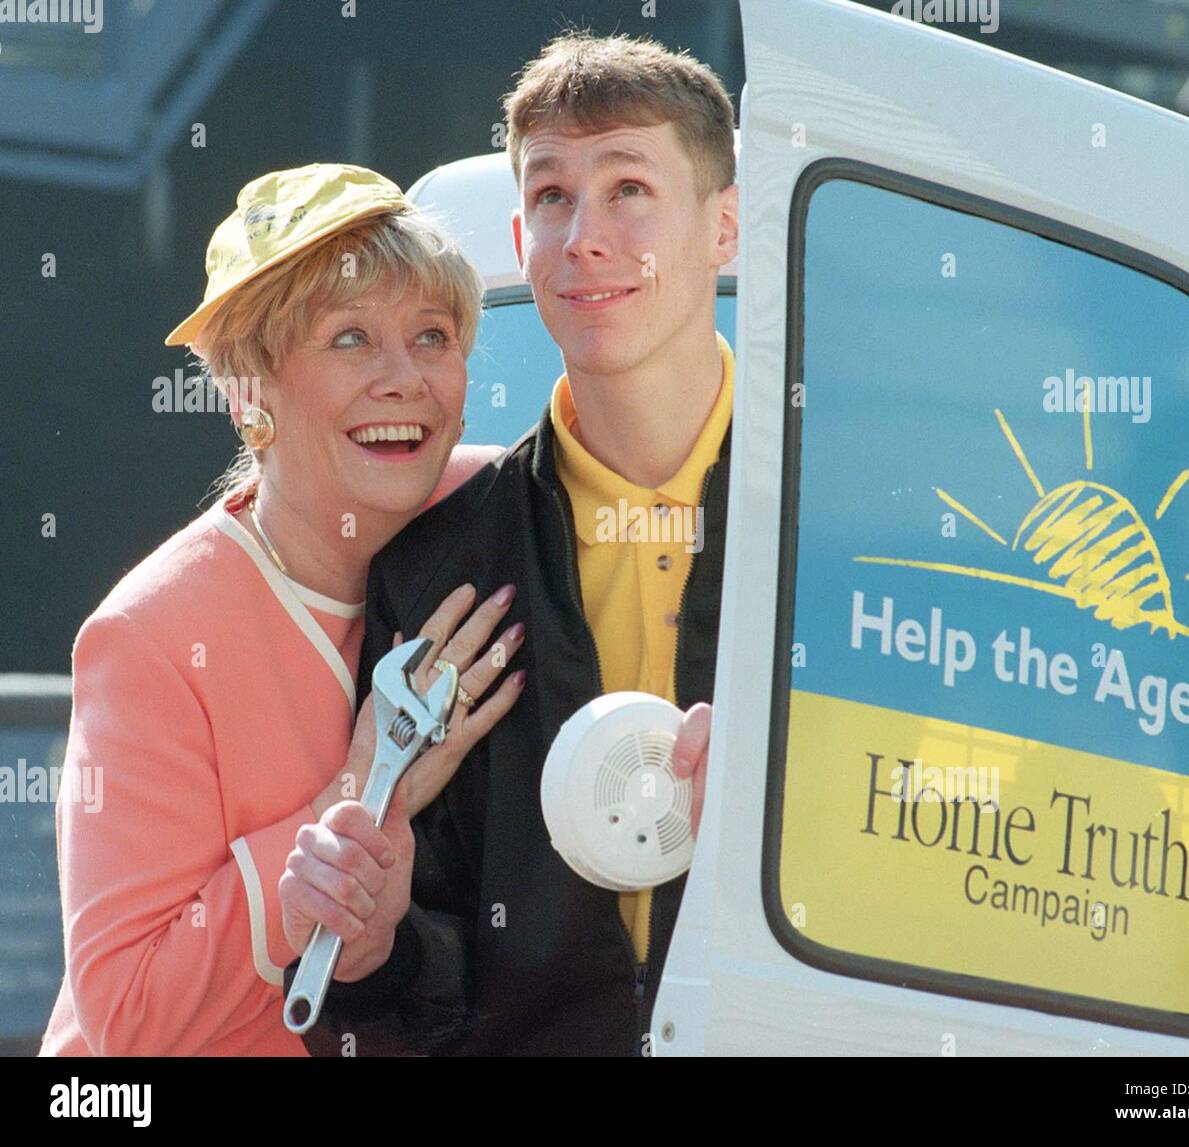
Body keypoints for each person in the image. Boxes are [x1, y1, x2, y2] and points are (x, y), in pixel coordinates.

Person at [280, 34, 736, 1055]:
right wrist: (374, 942)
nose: (582, 236)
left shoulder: (837, 535)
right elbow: (409, 1002)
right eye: (550, 196)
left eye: (628, 189)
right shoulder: (436, 570)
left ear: (725, 227)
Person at [39, 163, 526, 1056]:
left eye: (433, 335)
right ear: (249, 392)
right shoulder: (146, 637)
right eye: (351, 339)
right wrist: (368, 784)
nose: (403, 377)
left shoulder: (500, 508)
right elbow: (129, 1021)